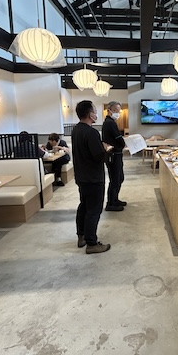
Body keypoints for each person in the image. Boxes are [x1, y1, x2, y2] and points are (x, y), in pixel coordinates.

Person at [72, 100, 113, 254]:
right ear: (90, 114)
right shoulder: (91, 132)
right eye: (95, 111)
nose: (97, 114)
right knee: (94, 210)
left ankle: (81, 236)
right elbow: (98, 157)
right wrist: (106, 149)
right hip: (93, 177)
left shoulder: (76, 130)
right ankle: (92, 243)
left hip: (81, 176)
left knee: (84, 205)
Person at [102, 101, 127, 211]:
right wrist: (124, 143)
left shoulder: (110, 122)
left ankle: (115, 199)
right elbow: (118, 138)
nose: (118, 113)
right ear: (109, 110)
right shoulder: (110, 123)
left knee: (119, 178)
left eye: (119, 111)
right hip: (113, 155)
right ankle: (110, 203)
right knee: (115, 179)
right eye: (116, 110)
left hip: (116, 154)